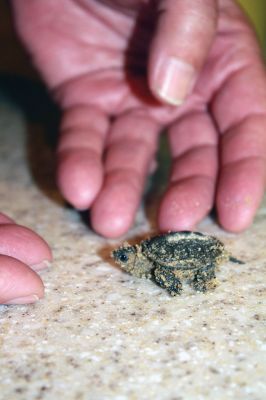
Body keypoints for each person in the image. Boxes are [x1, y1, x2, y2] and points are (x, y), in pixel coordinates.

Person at [1, 0, 265, 305]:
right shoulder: (147, 257)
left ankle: (207, 273)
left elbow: (166, 270)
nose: (119, 258)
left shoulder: (154, 263)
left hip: (206, 252)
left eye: (124, 256)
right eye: (124, 255)